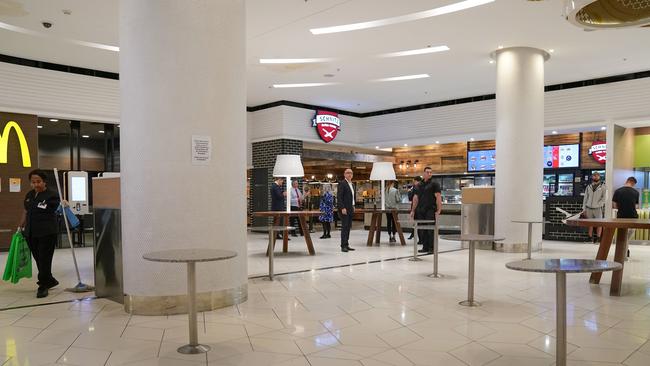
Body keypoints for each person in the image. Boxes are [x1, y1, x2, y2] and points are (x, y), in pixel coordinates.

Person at [18, 170, 61, 298]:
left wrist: (63, 205)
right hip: (31, 233)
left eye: (38, 182)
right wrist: (21, 225)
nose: (36, 184)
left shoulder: (52, 195)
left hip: (47, 232)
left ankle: (43, 285)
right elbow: (25, 211)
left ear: (44, 181)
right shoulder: (29, 195)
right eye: (33, 182)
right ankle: (50, 280)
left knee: (44, 259)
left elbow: (57, 209)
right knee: (38, 259)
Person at [411, 167, 442, 253]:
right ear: (423, 173)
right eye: (427, 172)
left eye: (430, 172)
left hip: (430, 210)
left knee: (430, 230)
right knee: (422, 229)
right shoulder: (419, 185)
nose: (429, 174)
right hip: (420, 210)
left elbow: (438, 197)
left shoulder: (435, 184)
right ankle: (425, 247)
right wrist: (413, 210)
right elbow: (415, 198)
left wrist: (439, 210)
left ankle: (432, 248)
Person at [612, 177, 639, 259]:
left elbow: (614, 205)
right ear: (633, 183)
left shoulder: (617, 191)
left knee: (623, 236)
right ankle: (625, 252)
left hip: (621, 217)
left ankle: (624, 251)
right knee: (627, 236)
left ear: (627, 181)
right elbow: (636, 206)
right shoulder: (636, 192)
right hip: (633, 217)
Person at [582, 172, 606, 243]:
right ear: (592, 177)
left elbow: (605, 197)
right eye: (594, 176)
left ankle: (598, 238)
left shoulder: (603, 186)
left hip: (598, 208)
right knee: (590, 223)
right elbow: (585, 197)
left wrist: (599, 204)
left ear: (599, 177)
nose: (595, 177)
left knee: (599, 223)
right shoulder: (588, 186)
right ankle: (590, 238)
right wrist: (584, 208)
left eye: (597, 176)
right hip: (589, 207)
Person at [337, 168, 356, 252]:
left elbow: (352, 197)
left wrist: (353, 205)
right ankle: (343, 245)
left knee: (348, 227)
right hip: (344, 209)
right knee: (344, 227)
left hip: (350, 208)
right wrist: (342, 208)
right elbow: (339, 197)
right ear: (344, 174)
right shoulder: (342, 183)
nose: (349, 174)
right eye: (348, 173)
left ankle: (346, 244)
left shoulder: (352, 184)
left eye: (351, 173)